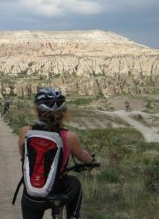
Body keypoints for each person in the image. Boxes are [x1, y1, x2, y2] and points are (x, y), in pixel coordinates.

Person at [18, 87, 95, 219]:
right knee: (75, 182)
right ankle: (73, 216)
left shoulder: (25, 132)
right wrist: (91, 162)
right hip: (58, 191)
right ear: (63, 113)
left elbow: (22, 154)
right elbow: (83, 156)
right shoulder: (69, 137)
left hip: (32, 195)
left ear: (37, 111)